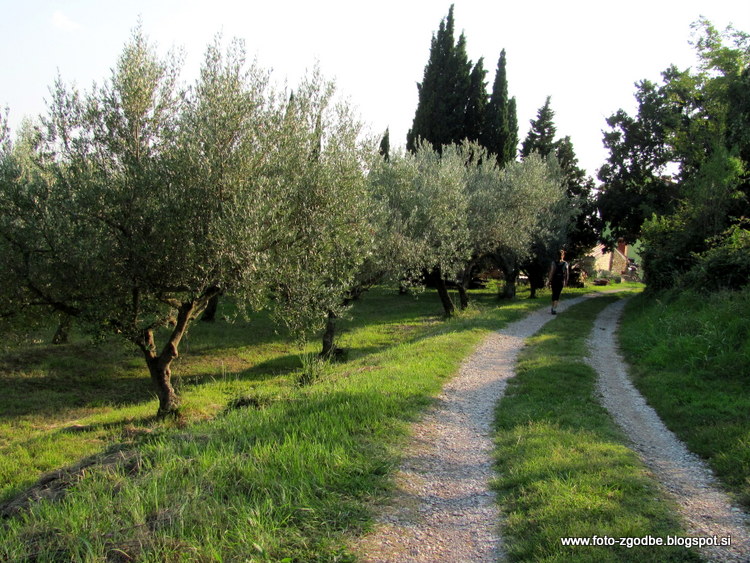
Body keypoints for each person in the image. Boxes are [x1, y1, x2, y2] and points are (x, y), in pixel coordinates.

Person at [548, 250, 568, 314]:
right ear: (563, 256)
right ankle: (554, 308)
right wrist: (566, 281)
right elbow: (567, 274)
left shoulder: (554, 263)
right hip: (561, 280)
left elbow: (552, 272)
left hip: (554, 280)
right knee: (557, 295)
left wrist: (549, 280)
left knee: (554, 293)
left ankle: (552, 307)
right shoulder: (565, 264)